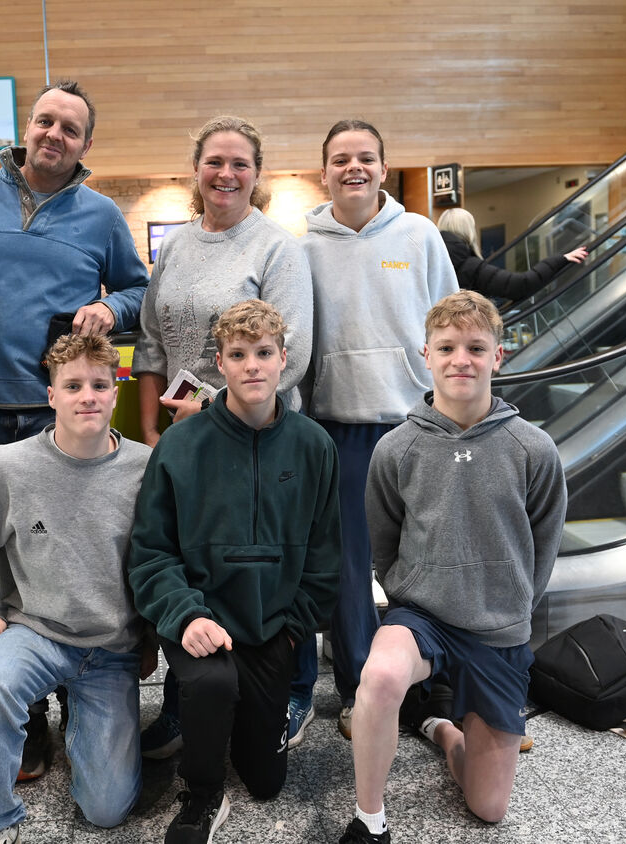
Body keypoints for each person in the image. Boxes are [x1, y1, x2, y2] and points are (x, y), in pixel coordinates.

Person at [0, 78, 149, 780]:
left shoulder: (101, 214)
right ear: (29, 126)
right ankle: (29, 719)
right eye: (46, 121)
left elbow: (139, 291)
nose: (54, 135)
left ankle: (89, 695)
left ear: (85, 145)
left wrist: (112, 309)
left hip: (60, 415)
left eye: (70, 129)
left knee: (69, 561)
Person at [338, 290, 567, 843]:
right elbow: (384, 541)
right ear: (426, 354)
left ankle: (441, 728)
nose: (460, 359)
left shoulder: (532, 448)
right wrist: (412, 591)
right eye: (447, 347)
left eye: (474, 347)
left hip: (498, 627)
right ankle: (370, 821)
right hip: (424, 616)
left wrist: (509, 602)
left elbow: (544, 544)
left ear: (497, 356)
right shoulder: (396, 448)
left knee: (487, 808)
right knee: (381, 674)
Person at [131, 115, 314, 758]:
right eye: (214, 162)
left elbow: (291, 352)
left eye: (239, 163)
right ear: (197, 170)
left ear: (257, 175)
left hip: (257, 441)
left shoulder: (277, 248)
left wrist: (210, 415)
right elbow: (152, 340)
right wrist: (155, 427)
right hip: (183, 443)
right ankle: (187, 705)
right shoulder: (177, 246)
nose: (226, 174)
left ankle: (292, 693)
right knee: (192, 564)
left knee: (270, 560)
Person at [129, 299, 341, 844]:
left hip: (274, 626)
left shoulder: (313, 445)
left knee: (267, 782)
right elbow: (151, 552)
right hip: (202, 621)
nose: (252, 366)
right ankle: (201, 792)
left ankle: (238, 730)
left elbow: (325, 552)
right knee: (212, 684)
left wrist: (296, 627)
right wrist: (185, 615)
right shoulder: (181, 445)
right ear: (218, 364)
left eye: (263, 353)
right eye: (239, 354)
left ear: (283, 360)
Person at [0, 333, 152, 844]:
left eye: (100, 384)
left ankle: (84, 732)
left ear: (116, 391)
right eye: (72, 385)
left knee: (107, 809)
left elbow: (163, 563)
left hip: (111, 646)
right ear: (51, 394)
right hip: (35, 632)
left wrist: (150, 638)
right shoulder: (8, 466)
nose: (88, 396)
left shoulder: (145, 470)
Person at [301, 119, 458, 740]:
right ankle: (358, 689)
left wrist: (452, 409)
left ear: (383, 169)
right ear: (325, 173)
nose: (353, 168)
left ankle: (434, 683)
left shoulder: (419, 235)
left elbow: (451, 322)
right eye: (341, 159)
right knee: (348, 566)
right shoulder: (303, 247)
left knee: (426, 559)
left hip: (416, 422)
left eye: (365, 157)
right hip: (337, 428)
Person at [437, 207, 588, 302]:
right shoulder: (470, 267)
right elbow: (521, 285)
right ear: (469, 231)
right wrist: (561, 259)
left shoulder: (428, 261)